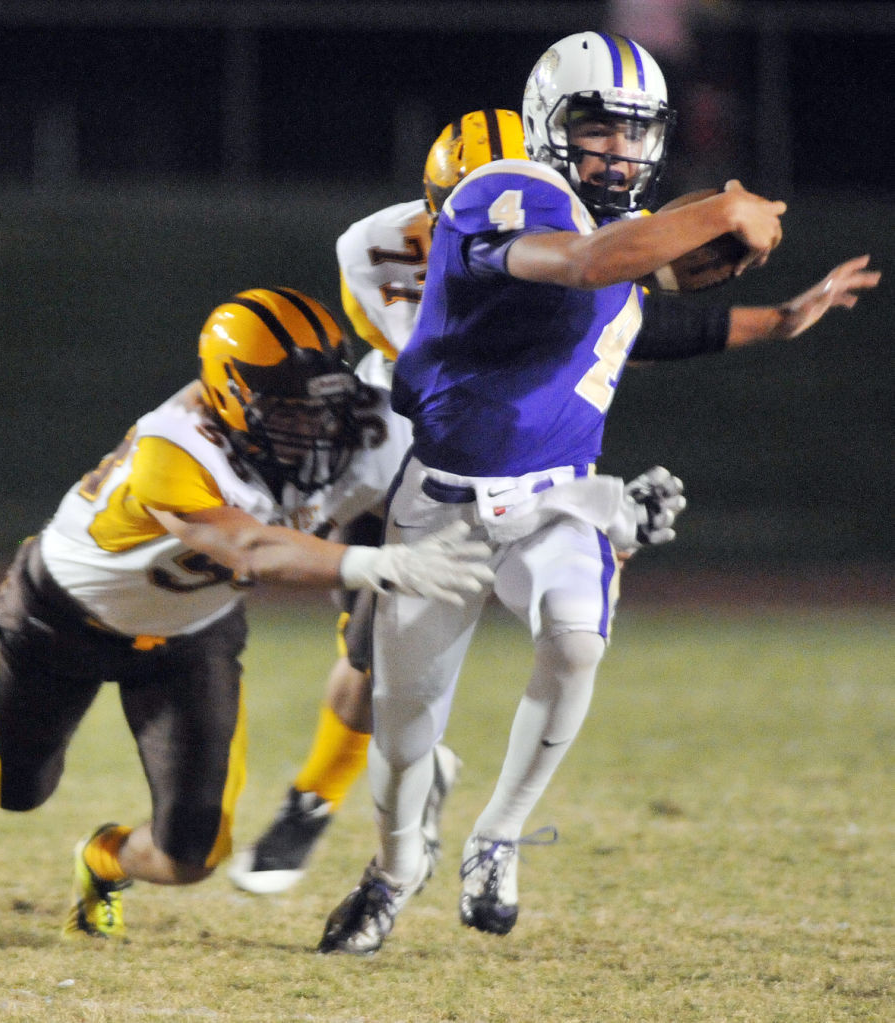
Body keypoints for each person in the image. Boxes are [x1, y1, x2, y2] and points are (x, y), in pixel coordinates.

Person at [314, 29, 809, 956]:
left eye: (636, 132)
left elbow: (645, 294)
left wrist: (759, 284)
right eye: (597, 127)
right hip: (445, 503)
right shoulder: (509, 192)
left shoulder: (614, 229)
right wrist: (726, 207)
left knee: (576, 643)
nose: (618, 151)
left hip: (556, 495)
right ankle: (392, 869)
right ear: (549, 124)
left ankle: (497, 836)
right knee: (404, 735)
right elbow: (584, 265)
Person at [0, 286, 494, 941]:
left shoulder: (373, 428)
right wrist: (373, 565)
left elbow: (475, 494)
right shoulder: (174, 443)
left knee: (189, 857)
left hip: (190, 637)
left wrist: (594, 520)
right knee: (15, 790)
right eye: (289, 408)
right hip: (61, 619)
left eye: (324, 403)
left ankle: (102, 859)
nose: (314, 423)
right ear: (229, 395)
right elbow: (248, 546)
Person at [228, 109, 530, 894]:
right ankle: (352, 787)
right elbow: (430, 363)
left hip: (499, 455)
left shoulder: (577, 238)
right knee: (363, 663)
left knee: (381, 662)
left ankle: (317, 798)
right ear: (433, 200)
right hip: (392, 445)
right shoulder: (374, 245)